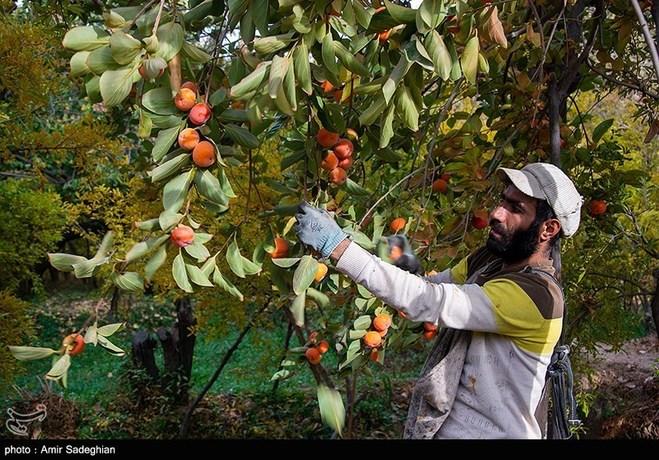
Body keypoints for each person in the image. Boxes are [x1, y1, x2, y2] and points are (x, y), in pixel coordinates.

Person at [294, 163, 583, 439]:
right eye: (503, 200)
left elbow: (430, 300)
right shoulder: (491, 260)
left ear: (548, 229)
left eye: (515, 209)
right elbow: (435, 286)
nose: (497, 213)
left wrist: (339, 248)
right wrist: (408, 266)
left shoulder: (538, 295)